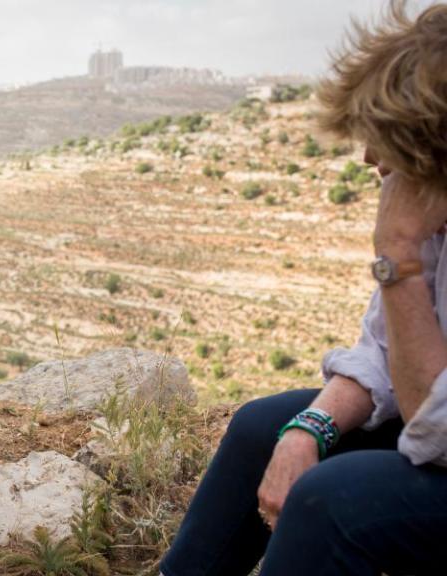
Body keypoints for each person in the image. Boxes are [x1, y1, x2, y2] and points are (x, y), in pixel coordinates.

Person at [159, 3, 447, 575]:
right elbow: (382, 353)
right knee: (262, 427)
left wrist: (399, 262)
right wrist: (305, 431)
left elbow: (436, 431)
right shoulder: (434, 218)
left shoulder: (412, 239)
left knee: (333, 501)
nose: (368, 158)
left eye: (386, 140)